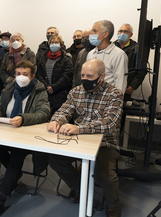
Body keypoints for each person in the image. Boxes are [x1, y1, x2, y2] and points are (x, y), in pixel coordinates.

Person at [47, 59, 123, 217]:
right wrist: (56, 120)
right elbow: (65, 110)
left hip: (105, 143)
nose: (85, 79)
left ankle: (113, 205)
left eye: (89, 76)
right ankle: (81, 188)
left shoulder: (114, 94)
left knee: (105, 173)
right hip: (79, 141)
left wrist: (79, 128)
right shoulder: (76, 91)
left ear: (101, 77)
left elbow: (110, 123)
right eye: (82, 75)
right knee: (55, 159)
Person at [0, 60, 50, 216]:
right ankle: (15, 174)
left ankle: (0, 196)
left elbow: (44, 113)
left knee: (17, 156)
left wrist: (23, 118)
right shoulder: (9, 88)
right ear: (14, 75)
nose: (21, 77)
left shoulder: (39, 91)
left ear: (32, 76)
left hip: (27, 135)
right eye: (18, 74)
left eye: (25, 74)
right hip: (6, 131)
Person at [86, 20, 128, 93]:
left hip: (108, 100)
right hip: (90, 98)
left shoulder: (119, 54)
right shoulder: (91, 53)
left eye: (94, 31)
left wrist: (116, 102)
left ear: (105, 34)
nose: (91, 34)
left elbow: (120, 83)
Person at [36, 34, 73, 115]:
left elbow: (67, 75)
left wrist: (54, 87)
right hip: (45, 92)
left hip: (60, 92)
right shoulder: (43, 58)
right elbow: (39, 74)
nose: (54, 44)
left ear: (61, 45)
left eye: (56, 42)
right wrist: (46, 86)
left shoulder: (66, 58)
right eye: (52, 42)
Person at [115, 23, 146, 101]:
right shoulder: (111, 46)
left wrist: (132, 87)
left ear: (131, 35)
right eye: (120, 31)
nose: (122, 33)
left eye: (125, 31)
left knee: (122, 110)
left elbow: (142, 70)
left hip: (126, 87)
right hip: (111, 85)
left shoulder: (137, 49)